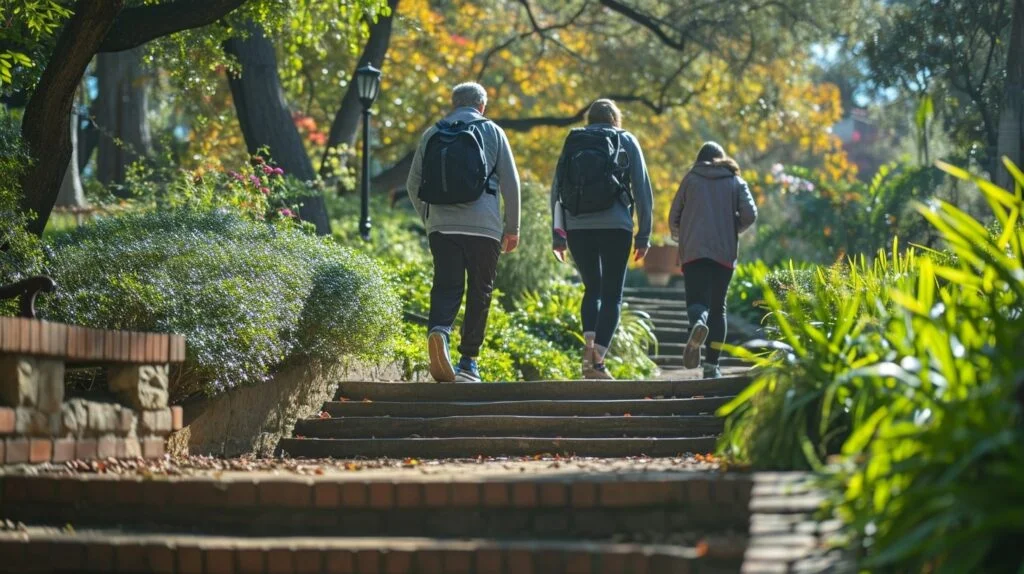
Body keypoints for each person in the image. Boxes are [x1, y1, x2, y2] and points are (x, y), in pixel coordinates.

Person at [406, 82, 521, 383]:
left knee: (446, 285)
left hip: (442, 227)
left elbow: (412, 184)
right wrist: (512, 228)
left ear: (453, 103)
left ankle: (439, 332)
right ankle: (468, 363)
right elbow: (511, 184)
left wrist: (431, 218)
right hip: (484, 228)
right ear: (482, 106)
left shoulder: (433, 133)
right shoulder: (493, 131)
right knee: (480, 291)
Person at [550, 99, 654, 380]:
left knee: (591, 288)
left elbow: (557, 188)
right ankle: (597, 361)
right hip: (615, 226)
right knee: (612, 294)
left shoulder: (574, 140)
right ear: (615, 118)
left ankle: (587, 348)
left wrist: (557, 235)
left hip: (577, 225)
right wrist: (644, 235)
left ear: (590, 119)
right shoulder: (625, 139)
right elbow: (642, 190)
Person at [668, 142, 757, 378]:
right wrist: (733, 227)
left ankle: (698, 323)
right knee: (718, 308)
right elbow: (751, 213)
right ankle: (711, 367)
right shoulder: (735, 181)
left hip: (694, 252)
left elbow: (673, 215)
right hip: (723, 253)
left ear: (700, 159)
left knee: (697, 301)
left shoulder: (690, 179)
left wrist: (682, 233)